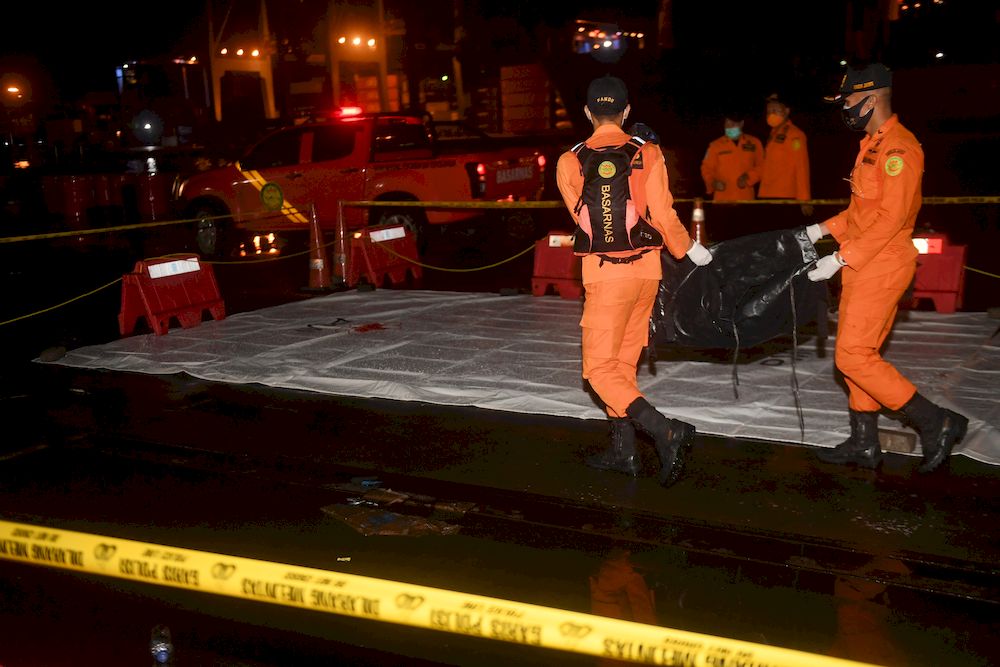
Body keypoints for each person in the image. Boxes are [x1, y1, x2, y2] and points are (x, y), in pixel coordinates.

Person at [806, 62, 968, 473]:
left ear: (871, 98)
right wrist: (816, 231)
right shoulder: (871, 144)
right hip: (864, 262)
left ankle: (936, 421)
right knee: (860, 352)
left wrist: (840, 258)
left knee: (852, 357)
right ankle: (864, 443)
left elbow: (891, 219)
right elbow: (860, 213)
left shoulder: (899, 148)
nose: (843, 107)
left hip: (881, 263)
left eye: (847, 100)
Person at [556, 75, 713, 488]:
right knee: (622, 364)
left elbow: (583, 219)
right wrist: (689, 250)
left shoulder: (570, 161)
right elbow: (662, 214)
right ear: (627, 111)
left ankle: (664, 431)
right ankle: (623, 452)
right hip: (646, 272)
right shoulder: (648, 152)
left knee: (598, 371)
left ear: (588, 113)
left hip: (606, 275)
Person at [758, 92, 813, 215]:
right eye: (769, 111)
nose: (771, 114)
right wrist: (749, 178)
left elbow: (801, 167)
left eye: (775, 110)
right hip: (766, 195)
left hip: (785, 198)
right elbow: (765, 166)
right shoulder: (773, 134)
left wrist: (804, 200)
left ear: (787, 111)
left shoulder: (795, 135)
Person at [699, 111, 763, 201]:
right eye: (727, 124)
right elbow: (706, 168)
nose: (729, 127)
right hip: (722, 199)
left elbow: (762, 166)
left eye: (732, 124)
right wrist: (713, 182)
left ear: (741, 124)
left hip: (746, 198)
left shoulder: (755, 143)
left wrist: (749, 177)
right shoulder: (715, 145)